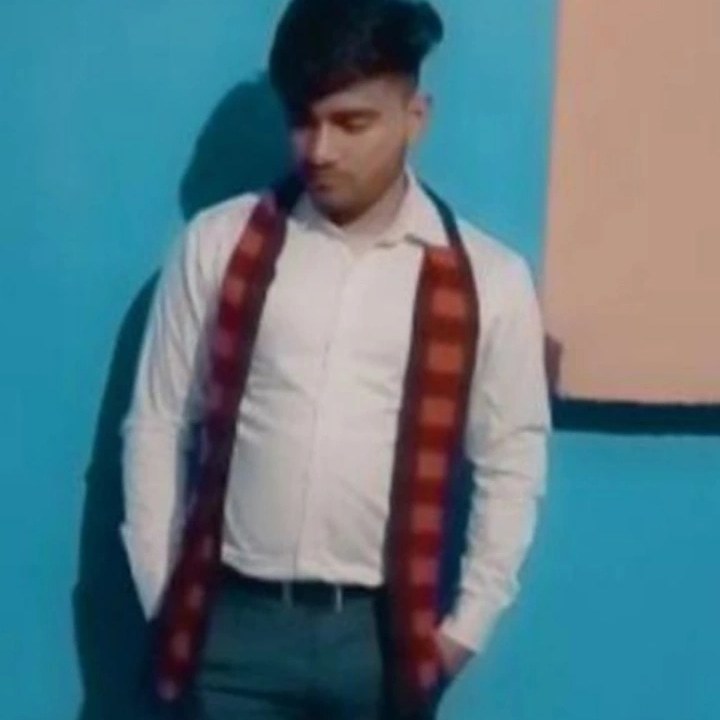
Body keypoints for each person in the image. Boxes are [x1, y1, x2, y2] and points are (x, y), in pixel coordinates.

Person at [120, 0, 551, 718]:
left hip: (380, 640)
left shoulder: (488, 278)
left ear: (416, 117)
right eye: (303, 120)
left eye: (352, 123)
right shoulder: (219, 244)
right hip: (230, 628)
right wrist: (163, 595)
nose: (320, 150)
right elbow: (158, 423)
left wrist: (465, 630)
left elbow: (512, 460)